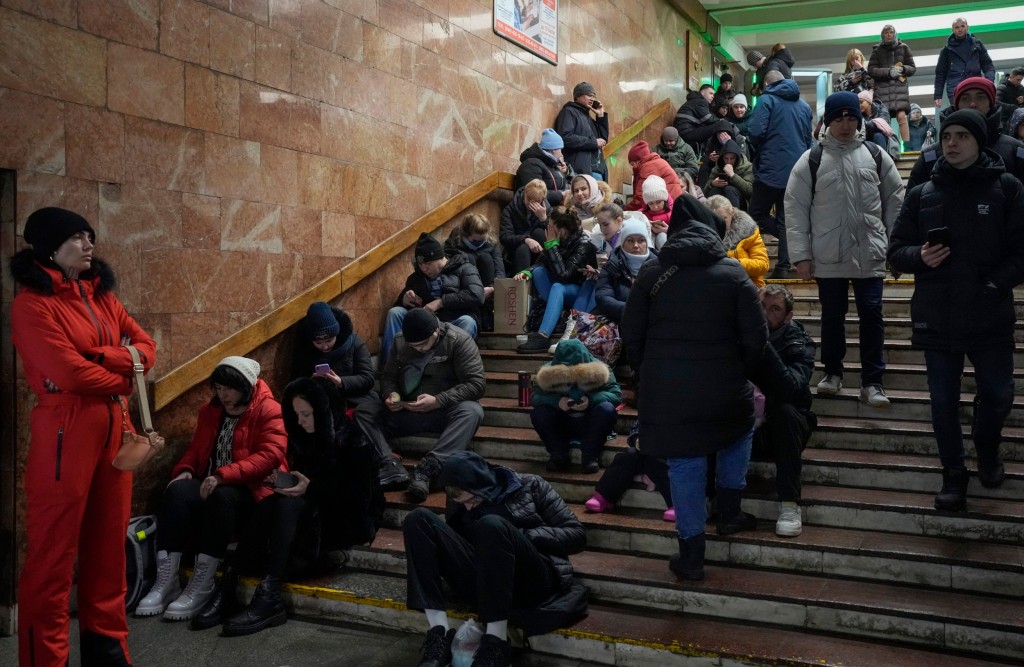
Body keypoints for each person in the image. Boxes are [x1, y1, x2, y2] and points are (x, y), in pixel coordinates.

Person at [11, 207, 158, 666]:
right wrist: (123, 372)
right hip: (64, 432)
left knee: (108, 553)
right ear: (50, 250)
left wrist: (104, 356)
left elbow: (147, 350)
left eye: (89, 235)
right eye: (77, 237)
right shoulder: (31, 305)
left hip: (116, 428)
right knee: (52, 561)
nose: (89, 244)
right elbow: (69, 374)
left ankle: (109, 655)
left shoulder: (103, 298)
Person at [621, 196, 768, 581]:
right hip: (725, 385)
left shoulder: (652, 274)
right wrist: (738, 368)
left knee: (685, 461)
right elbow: (757, 337)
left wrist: (650, 372)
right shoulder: (734, 274)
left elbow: (630, 334)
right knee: (738, 433)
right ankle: (730, 511)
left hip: (667, 392)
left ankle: (691, 555)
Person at [888, 109, 1024, 512]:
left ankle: (987, 447)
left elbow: (1021, 252)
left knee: (998, 395)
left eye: (962, 135)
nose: (951, 142)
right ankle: (953, 472)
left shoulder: (1008, 188)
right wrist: (920, 256)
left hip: (989, 312)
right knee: (943, 402)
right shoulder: (922, 194)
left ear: (978, 140)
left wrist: (995, 284)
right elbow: (896, 251)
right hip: (938, 313)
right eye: (947, 135)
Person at [195, 375, 382, 635]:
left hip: (341, 527)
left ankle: (269, 594)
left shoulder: (354, 442)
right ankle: (229, 584)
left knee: (285, 506)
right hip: (309, 518)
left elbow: (359, 502)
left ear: (325, 411)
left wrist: (310, 488)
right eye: (296, 414)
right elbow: (306, 482)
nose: (301, 421)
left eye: (306, 414)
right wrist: (285, 480)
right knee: (272, 503)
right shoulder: (307, 438)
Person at [136, 356, 287, 621]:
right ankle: (166, 582)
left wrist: (222, 475)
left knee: (221, 496)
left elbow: (271, 455)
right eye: (218, 388)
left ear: (245, 386)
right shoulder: (210, 410)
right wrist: (184, 470)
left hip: (251, 491)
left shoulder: (268, 408)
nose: (223, 394)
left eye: (229, 388)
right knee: (176, 492)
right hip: (212, 483)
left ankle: (202, 584)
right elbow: (197, 449)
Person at [404, 451, 587, 667]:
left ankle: (495, 643)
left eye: (472, 500)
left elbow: (577, 535)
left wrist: (526, 535)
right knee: (417, 519)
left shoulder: (531, 485)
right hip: (488, 579)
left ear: (482, 484)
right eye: (462, 503)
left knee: (491, 524)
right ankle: (439, 635)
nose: (468, 507)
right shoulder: (462, 500)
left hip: (533, 577)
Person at [785, 91, 905, 407]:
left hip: (870, 253)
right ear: (828, 121)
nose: (845, 124)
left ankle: (872, 382)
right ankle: (833, 374)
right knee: (832, 317)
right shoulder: (811, 160)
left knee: (872, 316)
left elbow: (895, 202)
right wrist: (801, 255)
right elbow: (795, 208)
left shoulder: (877, 155)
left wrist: (895, 247)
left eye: (851, 117)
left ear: (860, 119)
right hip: (828, 255)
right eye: (839, 118)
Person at [355, 308, 486, 503]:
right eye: (414, 346)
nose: (419, 349)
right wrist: (391, 395)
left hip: (443, 411)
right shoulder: (401, 341)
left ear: (436, 332)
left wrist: (438, 400)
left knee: (472, 411)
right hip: (407, 411)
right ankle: (389, 463)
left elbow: (476, 384)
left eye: (424, 344)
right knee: (364, 410)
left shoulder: (459, 340)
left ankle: (429, 469)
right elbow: (388, 376)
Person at [749, 285, 816, 537]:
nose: (765, 313)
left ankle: (789, 504)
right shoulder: (741, 335)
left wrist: (763, 345)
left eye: (774, 309)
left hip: (787, 426)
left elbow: (792, 388)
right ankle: (712, 497)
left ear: (788, 316)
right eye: (762, 307)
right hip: (748, 424)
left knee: (784, 412)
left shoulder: (799, 342)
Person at [747, 69, 814, 278]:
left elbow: (755, 131)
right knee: (786, 220)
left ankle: (785, 247)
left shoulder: (766, 100)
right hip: (797, 171)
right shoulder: (803, 106)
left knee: (756, 213)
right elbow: (808, 140)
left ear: (767, 84)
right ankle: (783, 266)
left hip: (770, 169)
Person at [906, 77, 1024, 190]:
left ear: (991, 103)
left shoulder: (1015, 151)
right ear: (956, 104)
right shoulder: (931, 155)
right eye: (965, 98)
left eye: (981, 97)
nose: (973, 104)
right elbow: (913, 203)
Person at [383, 232, 484, 363]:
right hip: (424, 324)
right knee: (395, 313)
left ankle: (452, 367)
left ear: (440, 258)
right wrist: (404, 301)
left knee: (468, 321)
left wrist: (441, 302)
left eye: (428, 263)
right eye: (420, 264)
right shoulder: (416, 278)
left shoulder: (465, 268)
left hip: (454, 320)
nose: (424, 268)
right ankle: (389, 366)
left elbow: (477, 295)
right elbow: (401, 306)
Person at [515, 207, 599, 354]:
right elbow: (541, 263)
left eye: (551, 226)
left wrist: (552, 246)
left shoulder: (583, 244)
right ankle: (558, 314)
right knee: (539, 272)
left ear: (561, 230)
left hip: (580, 293)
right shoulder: (557, 240)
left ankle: (543, 336)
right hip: (561, 293)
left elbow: (564, 275)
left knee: (558, 286)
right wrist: (527, 271)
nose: (548, 228)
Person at [530, 340, 621, 473]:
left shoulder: (600, 369)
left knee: (606, 409)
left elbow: (616, 395)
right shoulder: (547, 373)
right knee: (539, 413)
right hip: (562, 421)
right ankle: (558, 456)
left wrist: (591, 400)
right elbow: (535, 397)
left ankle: (590, 457)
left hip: (590, 421)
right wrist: (557, 402)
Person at [584, 422, 674, 522]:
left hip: (669, 457)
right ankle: (603, 496)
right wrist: (637, 440)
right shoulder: (652, 408)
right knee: (629, 455)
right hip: (646, 451)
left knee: (659, 462)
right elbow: (636, 428)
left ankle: (677, 505)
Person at [594, 217, 654, 323]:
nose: (636, 245)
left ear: (647, 243)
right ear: (623, 243)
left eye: (641, 240)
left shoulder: (659, 266)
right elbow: (603, 297)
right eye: (630, 240)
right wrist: (632, 311)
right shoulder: (612, 264)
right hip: (619, 321)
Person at [705, 195, 769, 288]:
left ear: (731, 213)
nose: (719, 223)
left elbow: (763, 265)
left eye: (724, 218)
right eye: (714, 219)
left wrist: (737, 263)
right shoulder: (702, 235)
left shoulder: (749, 231)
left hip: (747, 285)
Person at [867, 24, 916, 143]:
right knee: (884, 120)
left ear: (895, 34)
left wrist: (903, 69)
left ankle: (906, 146)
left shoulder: (904, 48)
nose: (889, 35)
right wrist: (889, 72)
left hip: (899, 90)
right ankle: (887, 145)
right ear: (882, 35)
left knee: (901, 117)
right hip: (882, 90)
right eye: (886, 32)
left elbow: (912, 68)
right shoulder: (877, 50)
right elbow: (871, 70)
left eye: (891, 32)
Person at [933, 17, 995, 109]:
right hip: (955, 88)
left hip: (975, 84)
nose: (960, 29)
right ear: (953, 30)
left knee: (977, 113)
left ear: (967, 27)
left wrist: (989, 82)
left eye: (962, 26)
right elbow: (940, 73)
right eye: (957, 27)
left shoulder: (977, 45)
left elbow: (987, 65)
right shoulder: (946, 50)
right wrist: (938, 95)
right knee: (961, 116)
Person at [555, 81, 609, 181]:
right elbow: (565, 138)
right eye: (589, 95)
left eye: (594, 96)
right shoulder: (569, 112)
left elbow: (603, 140)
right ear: (578, 96)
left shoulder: (589, 119)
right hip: (582, 171)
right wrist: (593, 142)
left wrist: (600, 116)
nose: (592, 99)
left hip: (598, 171)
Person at [445, 213, 506, 295]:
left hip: (486, 285)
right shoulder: (455, 241)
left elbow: (499, 267)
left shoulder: (491, 242)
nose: (479, 243)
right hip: (464, 285)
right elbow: (448, 264)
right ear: (467, 234)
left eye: (482, 239)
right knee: (468, 258)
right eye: (475, 241)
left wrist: (493, 287)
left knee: (486, 258)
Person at [500, 179, 552, 274]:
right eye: (529, 199)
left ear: (542, 200)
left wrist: (543, 219)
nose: (530, 204)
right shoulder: (510, 210)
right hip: (519, 252)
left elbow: (555, 236)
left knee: (539, 233)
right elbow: (505, 237)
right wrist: (526, 239)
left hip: (541, 252)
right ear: (524, 194)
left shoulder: (547, 210)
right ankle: (522, 285)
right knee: (523, 248)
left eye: (536, 202)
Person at [514, 129, 570, 207]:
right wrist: (561, 195)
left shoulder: (551, 164)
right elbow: (534, 193)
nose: (561, 154)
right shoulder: (531, 165)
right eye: (560, 149)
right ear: (553, 149)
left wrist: (566, 172)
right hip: (536, 213)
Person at [673, 85, 735, 154]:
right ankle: (727, 148)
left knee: (720, 125)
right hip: (687, 132)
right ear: (702, 92)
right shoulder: (700, 101)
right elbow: (708, 118)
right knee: (722, 124)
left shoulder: (694, 101)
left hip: (684, 131)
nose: (713, 96)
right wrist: (721, 121)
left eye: (713, 94)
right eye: (710, 93)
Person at [624, 141, 682, 212]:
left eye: (633, 164)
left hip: (667, 208)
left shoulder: (648, 167)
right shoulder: (656, 162)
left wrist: (624, 211)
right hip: (672, 204)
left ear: (638, 161)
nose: (633, 167)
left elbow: (641, 197)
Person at [703, 139, 754, 210]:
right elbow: (704, 192)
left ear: (737, 158)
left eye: (732, 158)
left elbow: (749, 191)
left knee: (729, 189)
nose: (729, 161)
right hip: (721, 198)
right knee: (714, 190)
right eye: (726, 158)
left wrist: (733, 175)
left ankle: (734, 216)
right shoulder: (719, 166)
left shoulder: (747, 166)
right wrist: (712, 184)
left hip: (741, 201)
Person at [859, 89, 900, 157]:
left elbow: (882, 125)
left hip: (883, 139)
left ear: (869, 102)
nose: (859, 105)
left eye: (861, 102)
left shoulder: (881, 109)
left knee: (878, 135)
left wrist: (866, 125)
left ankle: (882, 160)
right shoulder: (858, 114)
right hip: (867, 139)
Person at [639, 176, 671, 249]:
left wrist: (668, 230)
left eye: (658, 202)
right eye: (651, 204)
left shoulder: (675, 212)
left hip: (669, 245)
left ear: (665, 200)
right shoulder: (641, 214)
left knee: (662, 236)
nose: (655, 207)